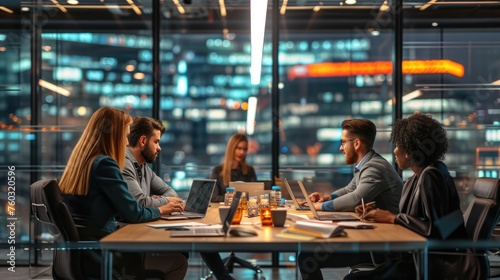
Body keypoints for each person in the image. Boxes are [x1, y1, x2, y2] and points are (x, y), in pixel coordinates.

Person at [59, 106, 187, 279]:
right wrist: (161, 209)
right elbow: (134, 212)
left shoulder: (81, 162)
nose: (127, 142)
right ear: (114, 135)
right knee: (178, 260)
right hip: (103, 255)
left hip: (82, 254)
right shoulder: (105, 164)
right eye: (125, 136)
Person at [360, 113, 480, 279]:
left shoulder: (431, 176)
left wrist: (392, 218)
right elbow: (415, 218)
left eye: (398, 145)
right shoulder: (418, 176)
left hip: (434, 265)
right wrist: (379, 213)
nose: (395, 151)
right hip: (420, 259)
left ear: (410, 150)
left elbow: (435, 229)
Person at [124, 116, 235, 280]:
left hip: (143, 227)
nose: (159, 148)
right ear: (142, 141)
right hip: (130, 236)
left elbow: (171, 192)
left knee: (186, 246)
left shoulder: (144, 167)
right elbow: (140, 202)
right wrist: (160, 202)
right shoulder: (125, 163)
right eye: (156, 142)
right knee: (181, 256)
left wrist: (156, 201)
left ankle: (224, 277)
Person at [298, 119, 403, 280]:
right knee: (307, 255)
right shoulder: (368, 164)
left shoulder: (374, 167)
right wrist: (327, 197)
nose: (341, 148)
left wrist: (321, 206)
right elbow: (349, 189)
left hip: (382, 248)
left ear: (357, 143)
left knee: (307, 257)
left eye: (343, 142)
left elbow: (355, 198)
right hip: (376, 240)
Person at [210, 133, 257, 202]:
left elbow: (254, 195)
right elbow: (213, 198)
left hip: (244, 209)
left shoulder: (249, 170)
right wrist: (233, 198)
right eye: (239, 148)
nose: (242, 152)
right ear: (231, 149)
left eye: (244, 149)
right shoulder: (217, 171)